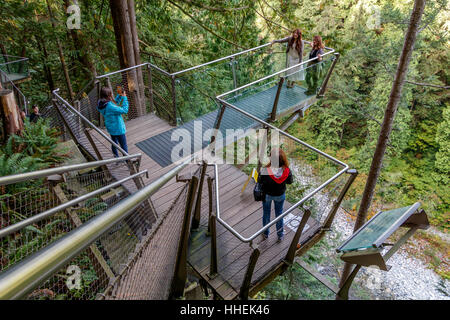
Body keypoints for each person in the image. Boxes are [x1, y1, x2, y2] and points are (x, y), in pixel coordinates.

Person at [258, 148, 293, 242]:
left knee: (266, 214)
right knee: (279, 214)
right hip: (280, 195)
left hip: (267, 195)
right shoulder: (287, 171)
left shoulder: (266, 170)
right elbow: (290, 182)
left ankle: (265, 233)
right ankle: (280, 235)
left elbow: (260, 181)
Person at [97, 86, 129, 157]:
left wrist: (120, 95)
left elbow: (115, 102)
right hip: (118, 128)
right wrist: (124, 98)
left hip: (111, 127)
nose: (112, 94)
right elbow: (124, 110)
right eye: (110, 93)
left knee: (114, 143)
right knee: (123, 145)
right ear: (108, 95)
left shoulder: (101, 103)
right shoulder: (109, 106)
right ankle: (127, 160)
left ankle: (116, 157)